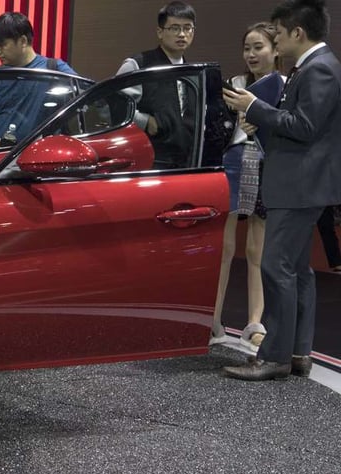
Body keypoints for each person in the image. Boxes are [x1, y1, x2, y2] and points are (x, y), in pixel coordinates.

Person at [222, 0, 341, 381]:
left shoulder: (319, 69)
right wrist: (267, 123)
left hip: (298, 185)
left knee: (276, 267)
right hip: (302, 184)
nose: (274, 41)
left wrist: (254, 107)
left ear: (297, 33)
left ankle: (274, 357)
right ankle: (297, 353)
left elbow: (305, 126)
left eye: (276, 34)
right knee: (297, 272)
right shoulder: (314, 67)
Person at [209, 23, 284, 351]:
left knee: (258, 249)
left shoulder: (287, 86)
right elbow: (214, 128)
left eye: (259, 47)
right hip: (233, 162)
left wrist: (263, 118)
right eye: (248, 48)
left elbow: (291, 127)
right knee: (223, 248)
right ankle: (212, 318)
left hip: (269, 165)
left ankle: (256, 321)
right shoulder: (234, 85)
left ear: (276, 50)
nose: (252, 55)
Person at [0, 12, 76, 150]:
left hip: (43, 159)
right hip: (0, 161)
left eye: (2, 45)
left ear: (23, 41)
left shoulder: (55, 70)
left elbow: (88, 99)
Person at [115, 1, 197, 169]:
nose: (182, 34)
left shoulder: (193, 73)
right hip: (149, 160)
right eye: (174, 28)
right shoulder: (138, 64)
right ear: (160, 32)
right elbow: (113, 106)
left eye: (187, 28)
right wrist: (144, 121)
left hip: (186, 162)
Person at [316, 205, 341, 272]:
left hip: (324, 201)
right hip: (304, 201)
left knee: (327, 228)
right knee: (302, 232)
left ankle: (337, 262)